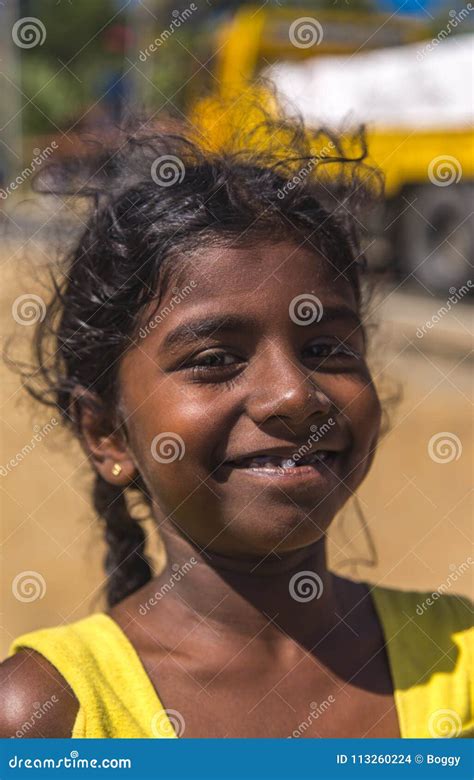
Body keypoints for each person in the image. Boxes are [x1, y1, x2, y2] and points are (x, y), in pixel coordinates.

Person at [1, 107, 472, 739]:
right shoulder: (49, 715)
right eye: (215, 359)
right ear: (106, 433)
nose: (293, 395)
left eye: (327, 350)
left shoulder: (458, 662)